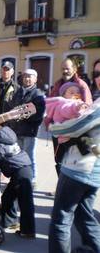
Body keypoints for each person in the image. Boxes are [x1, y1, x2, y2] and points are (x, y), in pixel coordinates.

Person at [48, 99, 100, 253]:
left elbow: (76, 126)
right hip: (94, 171)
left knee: (61, 221)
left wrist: (54, 128)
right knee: (85, 218)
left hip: (79, 169)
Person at [0, 126, 36, 238]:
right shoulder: (7, 135)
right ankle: (10, 222)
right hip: (24, 168)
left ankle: (28, 231)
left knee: (25, 203)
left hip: (20, 173)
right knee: (8, 197)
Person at [10, 69, 46, 185]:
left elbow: (39, 115)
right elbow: (13, 108)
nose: (27, 79)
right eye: (25, 76)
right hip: (17, 130)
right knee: (18, 155)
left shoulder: (38, 95)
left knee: (29, 156)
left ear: (35, 79)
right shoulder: (18, 92)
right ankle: (19, 176)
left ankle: (32, 178)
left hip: (29, 131)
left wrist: (23, 117)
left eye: (30, 77)